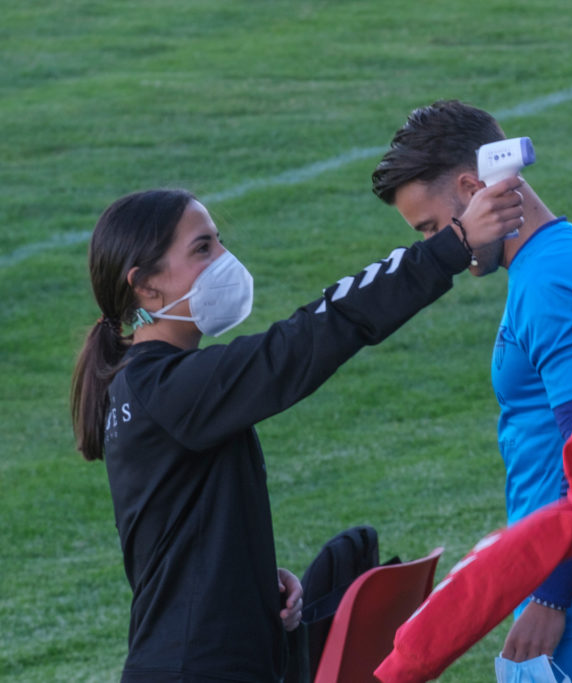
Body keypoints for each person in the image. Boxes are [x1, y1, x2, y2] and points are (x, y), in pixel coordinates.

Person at [69, 181, 523, 682]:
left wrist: (251, 586)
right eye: (202, 248)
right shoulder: (166, 389)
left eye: (219, 241)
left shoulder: (150, 387)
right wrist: (452, 244)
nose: (224, 259)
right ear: (146, 286)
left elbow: (183, 534)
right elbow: (311, 337)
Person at [372, 99, 572, 680]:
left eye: (433, 228)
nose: (438, 248)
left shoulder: (555, 284)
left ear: (474, 189)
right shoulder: (557, 261)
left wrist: (550, 595)